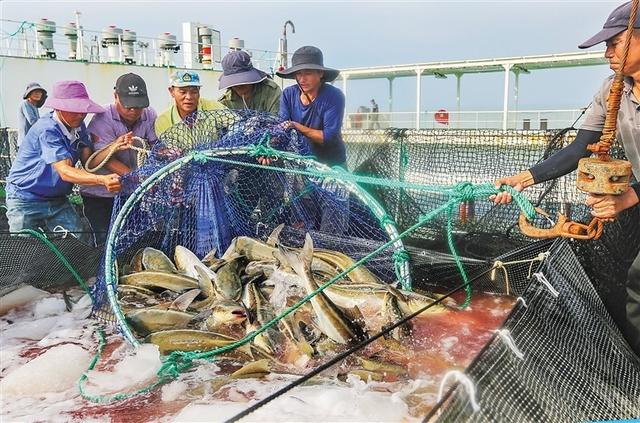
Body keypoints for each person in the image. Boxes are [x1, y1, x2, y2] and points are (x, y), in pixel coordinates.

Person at [492, 1, 640, 356]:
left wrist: (631, 196)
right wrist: (526, 178)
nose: (606, 53)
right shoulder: (611, 90)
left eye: (614, 43)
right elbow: (579, 149)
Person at [5, 80, 121, 245]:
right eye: (75, 110)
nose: (81, 115)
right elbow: (64, 171)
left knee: (80, 243)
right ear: (58, 108)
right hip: (25, 197)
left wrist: (113, 147)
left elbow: (89, 162)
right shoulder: (47, 130)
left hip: (57, 198)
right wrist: (101, 180)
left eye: (83, 110)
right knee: (24, 248)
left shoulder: (79, 127)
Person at [277, 46, 348, 233]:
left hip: (332, 168)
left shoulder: (333, 96)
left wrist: (297, 126)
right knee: (301, 222)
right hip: (304, 167)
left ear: (320, 74)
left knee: (332, 225)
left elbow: (328, 137)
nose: (302, 79)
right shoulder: (288, 94)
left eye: (307, 73)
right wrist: (270, 144)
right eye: (298, 74)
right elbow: (281, 128)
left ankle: (329, 256)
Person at [80, 73, 157, 246]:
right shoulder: (102, 118)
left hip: (131, 193)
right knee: (104, 242)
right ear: (115, 97)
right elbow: (106, 160)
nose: (134, 111)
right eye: (128, 106)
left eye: (139, 106)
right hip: (101, 196)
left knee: (135, 240)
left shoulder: (150, 114)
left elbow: (154, 147)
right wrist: (139, 178)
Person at [155, 70, 227, 139]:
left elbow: (236, 123)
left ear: (199, 91)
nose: (189, 97)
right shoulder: (163, 122)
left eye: (194, 92)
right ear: (171, 92)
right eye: (183, 92)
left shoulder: (214, 107)